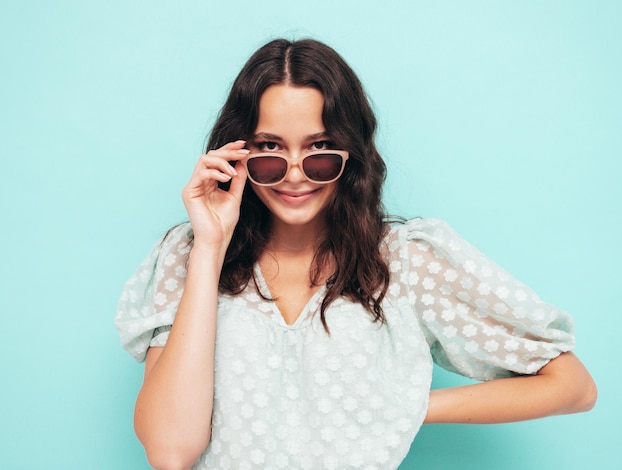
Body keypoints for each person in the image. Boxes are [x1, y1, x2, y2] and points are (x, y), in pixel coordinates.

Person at [115, 38, 597, 470]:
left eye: (320, 147)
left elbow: (572, 385)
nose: (296, 173)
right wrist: (211, 247)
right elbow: (169, 451)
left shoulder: (406, 260)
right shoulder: (189, 255)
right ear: (237, 153)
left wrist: (409, 407)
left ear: (350, 154)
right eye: (270, 148)